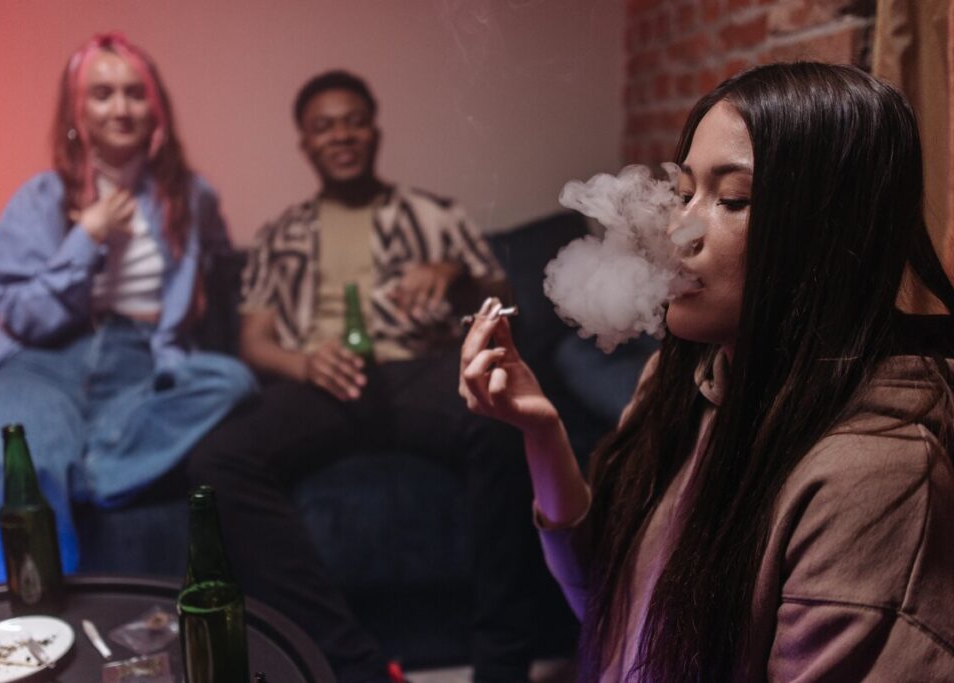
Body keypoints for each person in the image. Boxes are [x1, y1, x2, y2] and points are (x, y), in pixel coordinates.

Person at [460, 62, 954, 681]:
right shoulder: (681, 382)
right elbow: (610, 617)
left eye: (732, 200)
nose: (679, 231)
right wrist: (541, 432)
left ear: (830, 232)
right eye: (684, 193)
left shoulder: (876, 478)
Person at [189, 70, 541, 683]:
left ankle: (503, 666)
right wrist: (304, 363)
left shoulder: (434, 215)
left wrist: (454, 273)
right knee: (217, 463)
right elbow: (254, 341)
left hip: (415, 370)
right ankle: (356, 667)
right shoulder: (280, 232)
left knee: (503, 419)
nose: (342, 136)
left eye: (354, 122)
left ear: (375, 131)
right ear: (305, 142)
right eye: (324, 127)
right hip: (319, 381)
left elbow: (504, 303)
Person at [0, 32, 256, 590]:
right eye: (103, 94)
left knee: (231, 381)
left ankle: (68, 467)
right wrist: (86, 237)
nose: (121, 108)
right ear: (77, 111)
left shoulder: (191, 196)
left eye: (136, 93)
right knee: (20, 462)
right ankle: (6, 625)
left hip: (143, 366)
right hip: (45, 358)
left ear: (155, 108)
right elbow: (23, 315)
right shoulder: (38, 198)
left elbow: (214, 262)